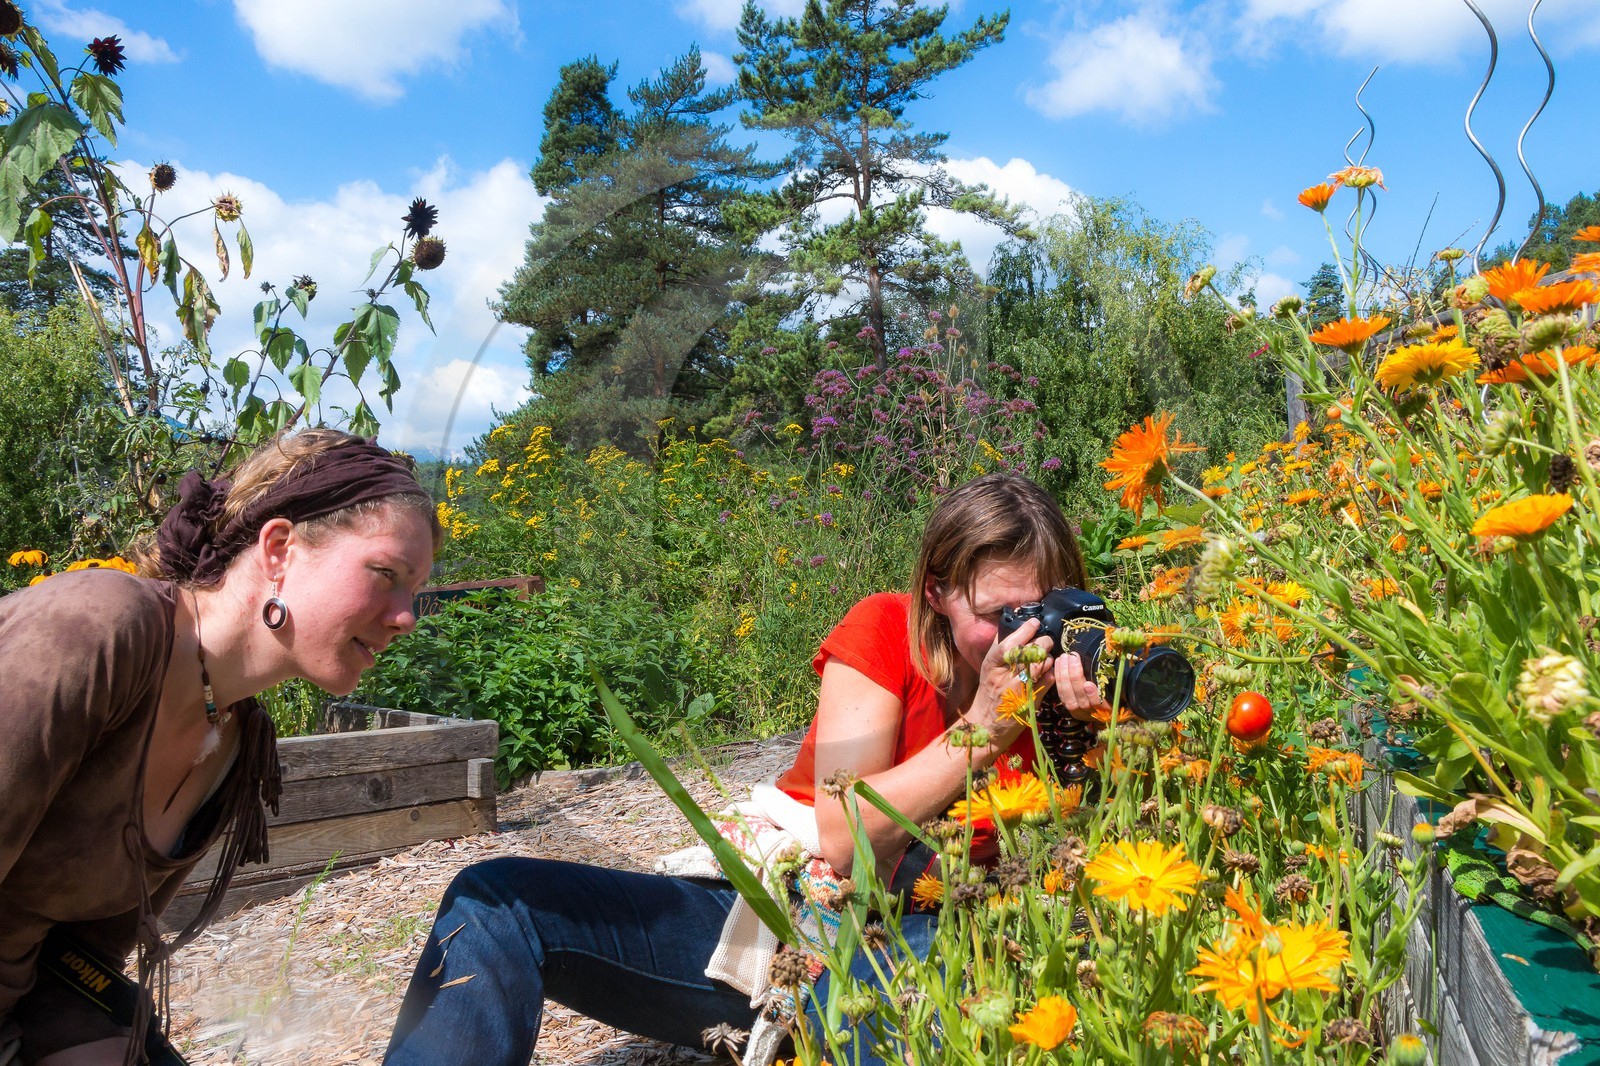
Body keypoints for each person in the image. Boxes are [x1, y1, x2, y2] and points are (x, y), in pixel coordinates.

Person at [383, 472, 1104, 1066]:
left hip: (936, 940)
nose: (1027, 636)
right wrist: (983, 727)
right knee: (495, 901)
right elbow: (846, 834)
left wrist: (1104, 717)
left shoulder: (1072, 669)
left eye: (1043, 610)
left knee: (904, 1017)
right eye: (1000, 614)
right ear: (939, 592)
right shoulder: (885, 629)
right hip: (774, 921)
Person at [0, 429, 439, 1066]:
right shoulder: (97, 632)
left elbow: (77, 963)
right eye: (385, 574)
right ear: (281, 548)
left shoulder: (236, 743)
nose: (406, 616)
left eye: (414, 590)